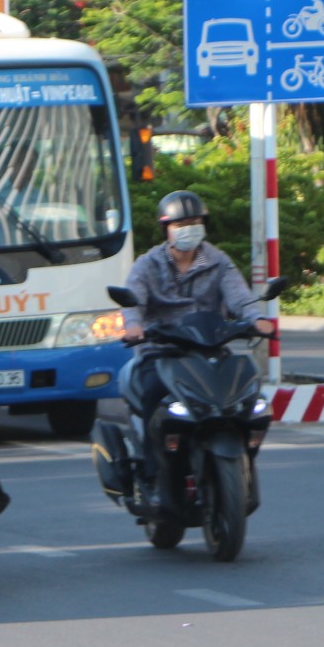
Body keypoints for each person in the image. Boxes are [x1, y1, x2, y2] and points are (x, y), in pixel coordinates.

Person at [118, 190, 273, 463]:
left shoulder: (218, 261)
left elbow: (239, 295)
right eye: (180, 225)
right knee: (152, 392)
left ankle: (244, 454)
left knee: (246, 396)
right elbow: (133, 300)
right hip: (161, 351)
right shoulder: (148, 264)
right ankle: (149, 462)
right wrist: (133, 326)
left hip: (208, 349)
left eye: (194, 223)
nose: (188, 230)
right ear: (166, 229)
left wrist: (256, 319)